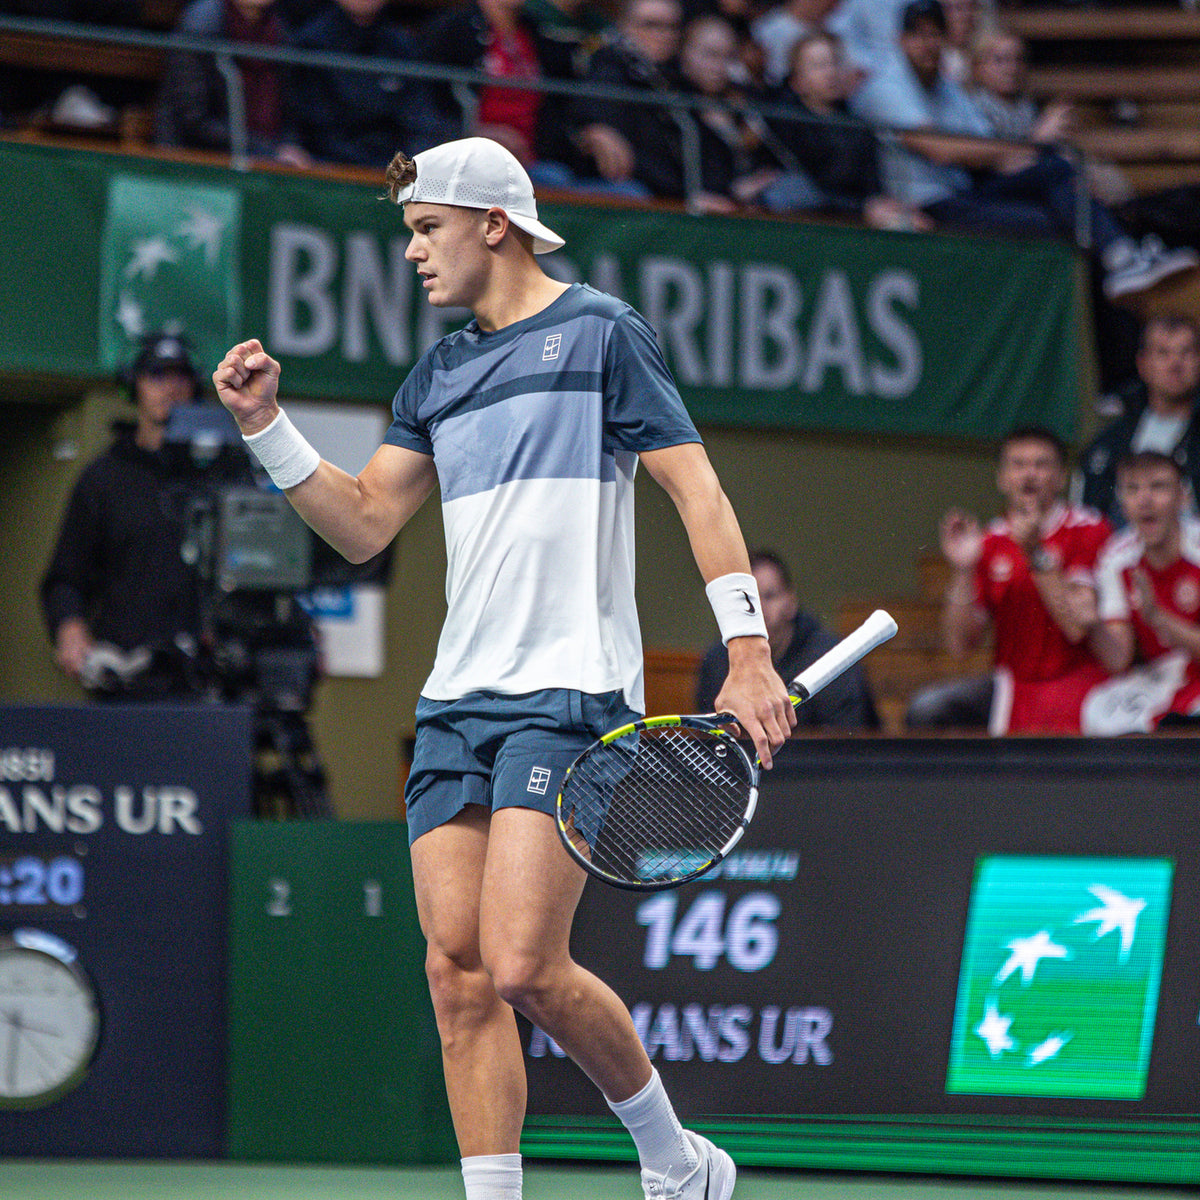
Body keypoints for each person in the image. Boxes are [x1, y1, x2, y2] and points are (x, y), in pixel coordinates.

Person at [213, 136, 793, 1200]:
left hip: (568, 696)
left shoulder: (603, 332)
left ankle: (676, 1158)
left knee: (524, 964)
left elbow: (696, 490)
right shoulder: (437, 374)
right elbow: (364, 522)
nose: (413, 253)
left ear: (494, 224)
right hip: (456, 707)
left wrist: (748, 649)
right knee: (457, 972)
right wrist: (266, 427)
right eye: (410, 234)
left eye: (427, 229)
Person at [848, 0, 1198, 301]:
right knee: (1058, 212)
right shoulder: (886, 87)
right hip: (927, 204)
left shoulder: (947, 88)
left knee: (1060, 179)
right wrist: (1031, 146)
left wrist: (1031, 153)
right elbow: (942, 149)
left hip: (966, 191)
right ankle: (1121, 258)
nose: (927, 44)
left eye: (934, 34)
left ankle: (1123, 259)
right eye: (918, 35)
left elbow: (988, 148)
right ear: (901, 39)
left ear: (945, 38)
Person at [39, 332, 244, 697]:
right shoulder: (104, 477)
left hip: (213, 679)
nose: (171, 387)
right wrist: (70, 627)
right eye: (157, 375)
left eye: (181, 376)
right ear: (133, 385)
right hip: (127, 676)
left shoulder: (225, 472)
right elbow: (65, 578)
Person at [906, 426, 1111, 734]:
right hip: (1011, 686)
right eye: (1018, 464)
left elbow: (1076, 628)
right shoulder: (991, 540)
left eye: (1041, 464)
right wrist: (963, 570)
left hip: (1081, 681)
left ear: (1061, 477)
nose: (1029, 474)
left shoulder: (1090, 529)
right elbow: (960, 646)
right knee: (927, 708)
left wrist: (1034, 552)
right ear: (1001, 478)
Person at [763, 29, 933, 228]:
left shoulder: (858, 126)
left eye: (835, 62)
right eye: (819, 66)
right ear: (797, 81)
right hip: (801, 221)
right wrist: (863, 209)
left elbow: (873, 189)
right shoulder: (784, 122)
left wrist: (891, 208)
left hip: (855, 219)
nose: (830, 72)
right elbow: (801, 190)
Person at [1081, 452, 1200, 733]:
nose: (1144, 500)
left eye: (1158, 487)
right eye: (1132, 489)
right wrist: (1092, 625)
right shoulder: (1115, 558)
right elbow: (1119, 659)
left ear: (1182, 496)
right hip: (1159, 677)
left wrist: (1158, 619)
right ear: (1121, 501)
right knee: (1097, 709)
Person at [696, 550, 879, 728]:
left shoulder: (832, 659)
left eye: (769, 596)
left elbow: (847, 738)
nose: (758, 609)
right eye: (747, 599)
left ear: (791, 602)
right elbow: (709, 736)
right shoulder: (716, 662)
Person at [285, 0, 443, 168]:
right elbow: (306, 123)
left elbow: (420, 119)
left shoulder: (401, 45)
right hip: (323, 164)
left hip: (390, 167)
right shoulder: (310, 43)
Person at [1078, 313, 1200, 528]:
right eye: (1163, 353)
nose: (1175, 363)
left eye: (1186, 352)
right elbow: (1087, 519)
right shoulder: (1108, 443)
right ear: (1143, 364)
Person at [155, 0, 301, 161]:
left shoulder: (281, 28)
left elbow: (290, 110)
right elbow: (193, 120)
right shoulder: (201, 25)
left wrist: (288, 145)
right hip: (197, 156)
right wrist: (269, 151)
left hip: (266, 154)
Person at [568, 0, 683, 197]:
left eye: (673, 27)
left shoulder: (677, 77)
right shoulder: (607, 69)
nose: (665, 35)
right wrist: (687, 194)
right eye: (651, 24)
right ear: (624, 25)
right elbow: (628, 159)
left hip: (675, 192)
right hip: (635, 190)